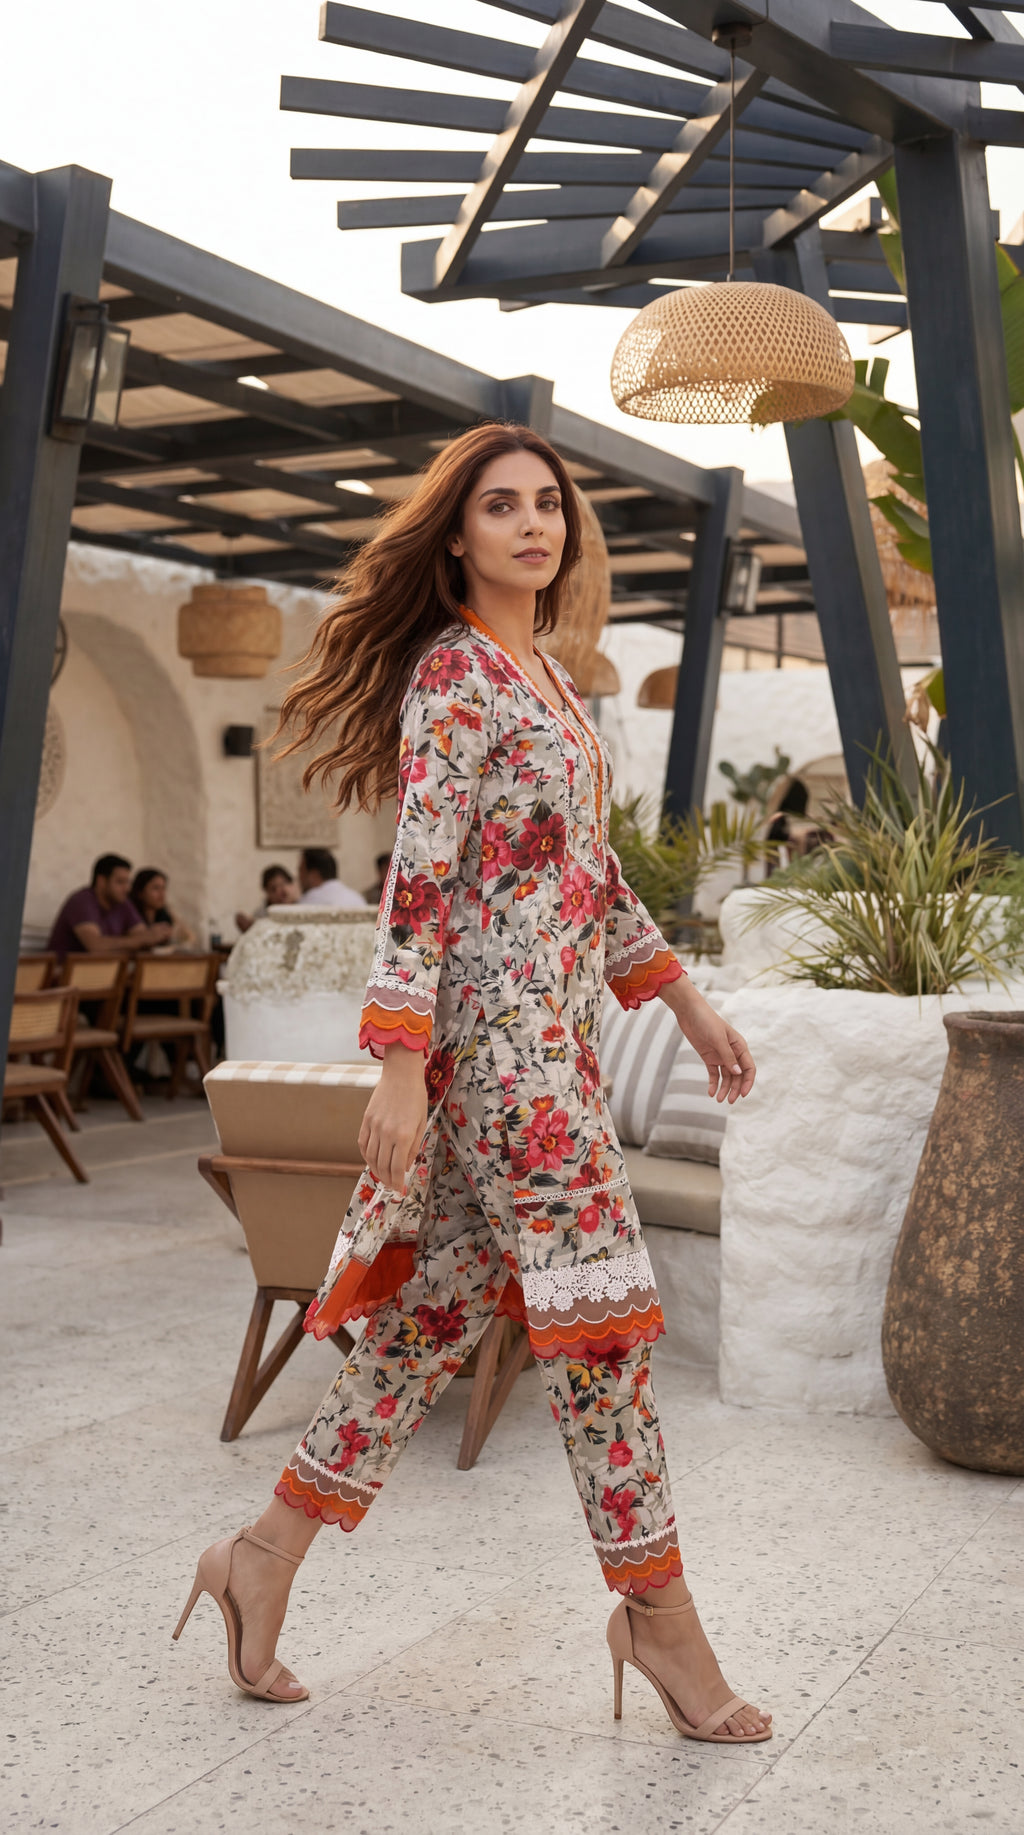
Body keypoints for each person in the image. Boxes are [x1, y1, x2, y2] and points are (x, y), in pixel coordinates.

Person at [173, 424, 771, 1745]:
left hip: (550, 1052)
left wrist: (687, 999)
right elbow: (421, 877)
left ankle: (259, 1555)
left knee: (424, 1324)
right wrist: (396, 1065)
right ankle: (661, 1619)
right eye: (500, 506)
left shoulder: (545, 676)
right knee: (604, 1331)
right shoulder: (455, 676)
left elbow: (587, 876)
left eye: (547, 504)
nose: (530, 524)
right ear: (457, 534)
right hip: (501, 1067)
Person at [48, 854, 173, 957]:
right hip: (62, 979)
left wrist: (157, 935)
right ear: (101, 881)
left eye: (127, 882)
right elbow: (95, 946)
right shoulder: (82, 901)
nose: (127, 888)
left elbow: (143, 936)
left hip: (99, 977)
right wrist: (142, 940)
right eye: (120, 882)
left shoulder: (122, 903)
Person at [129, 868, 195, 947]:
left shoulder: (164, 916)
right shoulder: (131, 916)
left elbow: (190, 938)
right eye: (156, 888)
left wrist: (169, 910)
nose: (162, 894)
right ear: (140, 892)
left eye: (163, 888)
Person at [235, 864, 298, 935]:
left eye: (284, 883)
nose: (281, 891)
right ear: (267, 892)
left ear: (292, 884)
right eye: (274, 889)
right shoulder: (260, 917)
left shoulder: (303, 907)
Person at [297, 846, 366, 909]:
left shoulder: (309, 900)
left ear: (314, 875)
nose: (299, 877)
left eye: (301, 871)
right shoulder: (356, 898)